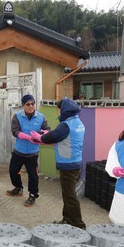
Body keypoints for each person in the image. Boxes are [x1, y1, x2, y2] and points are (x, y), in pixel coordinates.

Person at [31, 97, 86, 229]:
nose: (58, 112)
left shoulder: (65, 125)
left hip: (68, 165)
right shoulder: (77, 122)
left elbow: (54, 136)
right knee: (68, 194)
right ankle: (67, 219)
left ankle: (79, 224)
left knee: (70, 195)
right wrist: (47, 133)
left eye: (59, 109)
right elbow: (62, 137)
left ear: (64, 110)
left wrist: (40, 137)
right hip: (76, 162)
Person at [6, 94, 50, 207]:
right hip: (18, 151)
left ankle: (33, 195)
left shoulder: (41, 117)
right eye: (28, 104)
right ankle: (18, 188)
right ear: (23, 105)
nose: (31, 106)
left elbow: (47, 131)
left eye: (32, 103)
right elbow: (14, 131)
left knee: (33, 175)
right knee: (13, 171)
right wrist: (27, 137)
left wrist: (39, 136)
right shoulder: (17, 116)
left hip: (32, 153)